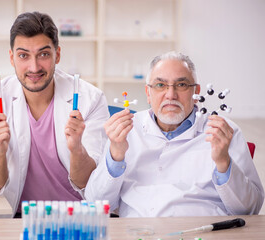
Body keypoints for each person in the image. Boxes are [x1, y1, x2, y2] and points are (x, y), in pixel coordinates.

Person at [85, 51, 264, 217]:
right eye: (160, 85)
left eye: (181, 85)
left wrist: (223, 162)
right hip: (139, 232)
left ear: (196, 91)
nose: (170, 95)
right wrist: (116, 155)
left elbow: (250, 209)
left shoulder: (224, 131)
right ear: (148, 92)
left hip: (206, 232)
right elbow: (96, 204)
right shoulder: (125, 131)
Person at [0, 12, 109, 217]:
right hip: (20, 218)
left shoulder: (90, 99)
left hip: (78, 217)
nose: (34, 67)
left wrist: (77, 149)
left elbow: (92, 183)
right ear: (12, 57)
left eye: (44, 54)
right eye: (23, 55)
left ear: (58, 55)